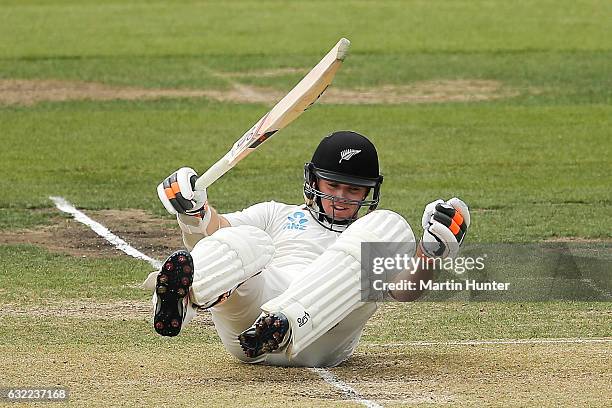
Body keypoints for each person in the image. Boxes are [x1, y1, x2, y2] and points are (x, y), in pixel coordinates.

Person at [144, 130, 470, 367]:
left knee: (392, 226)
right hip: (252, 333)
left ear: (369, 191)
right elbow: (215, 233)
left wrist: (431, 253)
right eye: (333, 186)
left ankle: (288, 323)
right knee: (245, 240)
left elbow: (404, 291)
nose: (342, 197)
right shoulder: (277, 213)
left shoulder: (371, 232)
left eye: (354, 190)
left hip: (323, 336)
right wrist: (192, 212)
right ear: (314, 181)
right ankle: (178, 299)